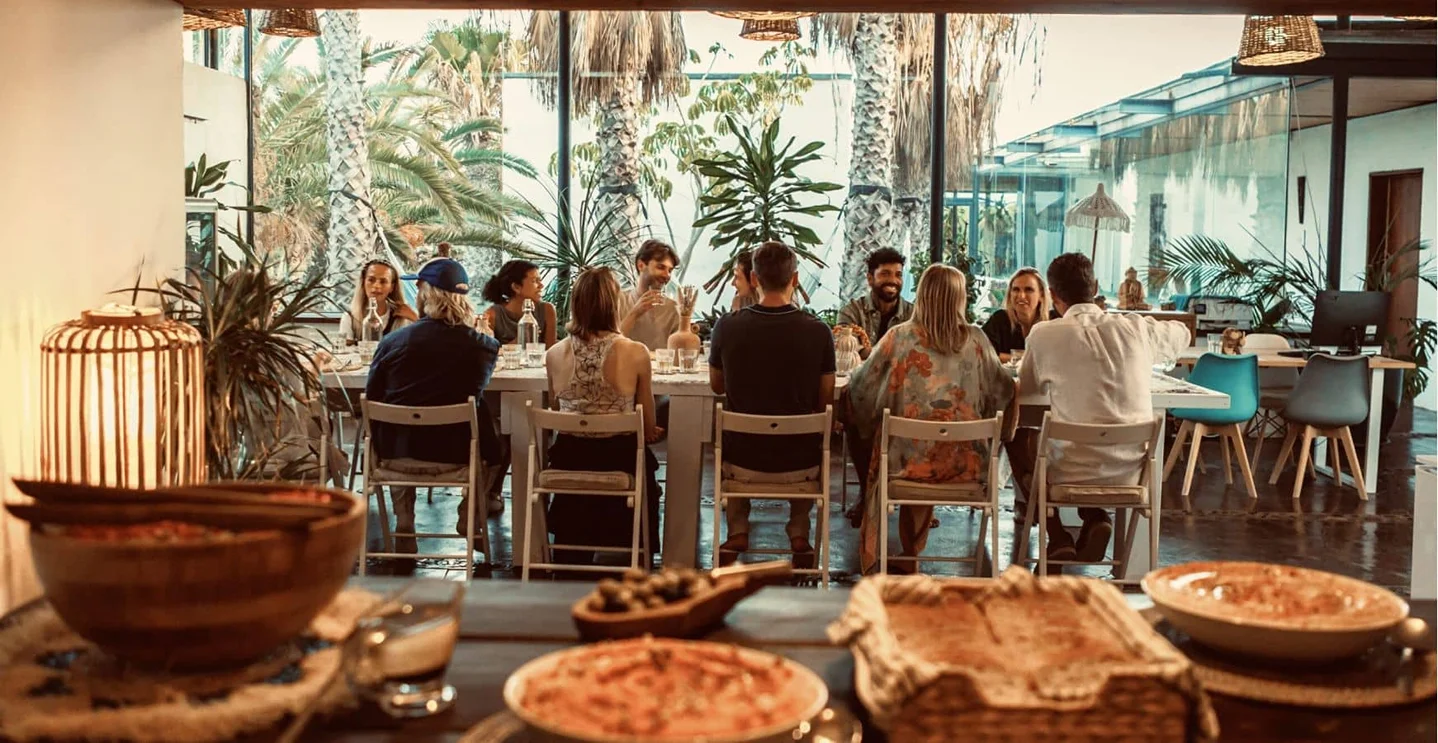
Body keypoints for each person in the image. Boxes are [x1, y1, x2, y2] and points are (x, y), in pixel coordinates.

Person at [843, 265, 1016, 574]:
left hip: (904, 467)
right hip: (968, 467)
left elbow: (861, 388)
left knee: (913, 446)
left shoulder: (898, 337)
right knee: (937, 446)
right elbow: (1004, 391)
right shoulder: (976, 341)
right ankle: (910, 553)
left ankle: (910, 554)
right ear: (960, 298)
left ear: (922, 295)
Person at [1018, 253, 1189, 562]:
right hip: (1133, 473)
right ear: (1095, 287)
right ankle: (1096, 517)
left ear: (1052, 295)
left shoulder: (1043, 335)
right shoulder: (1136, 328)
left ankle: (1059, 535)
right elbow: (1182, 332)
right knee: (1091, 439)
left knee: (1019, 437)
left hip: (1068, 473)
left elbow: (1027, 392)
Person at [709, 241, 836, 568]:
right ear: (795, 279)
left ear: (754, 279)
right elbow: (825, 400)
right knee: (809, 432)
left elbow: (717, 386)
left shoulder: (727, 326)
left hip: (742, 463)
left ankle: (737, 529)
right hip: (800, 465)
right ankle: (799, 530)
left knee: (733, 431)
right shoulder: (819, 332)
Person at [365, 258, 502, 555]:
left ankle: (404, 519)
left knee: (395, 421)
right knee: (488, 425)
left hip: (395, 455)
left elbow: (372, 395)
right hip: (457, 454)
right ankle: (469, 514)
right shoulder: (483, 347)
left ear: (426, 293)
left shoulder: (392, 342)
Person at [544, 267, 664, 566]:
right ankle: (636, 551)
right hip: (619, 460)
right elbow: (647, 425)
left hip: (569, 460)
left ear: (576, 303)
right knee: (646, 459)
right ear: (614, 304)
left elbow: (557, 411)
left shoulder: (554, 354)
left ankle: (570, 552)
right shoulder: (636, 352)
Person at [837, 247, 913, 359]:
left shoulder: (913, 315)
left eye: (898, 275)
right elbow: (847, 350)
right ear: (870, 279)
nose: (893, 280)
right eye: (885, 274)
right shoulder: (851, 312)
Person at [618, 239, 682, 351]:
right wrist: (635, 313)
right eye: (661, 267)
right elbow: (608, 346)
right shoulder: (618, 301)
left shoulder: (673, 309)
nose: (667, 275)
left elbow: (679, 353)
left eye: (670, 271)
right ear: (641, 265)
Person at [982, 267, 1057, 362]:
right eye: (1016, 290)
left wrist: (1008, 357)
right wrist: (1027, 359)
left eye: (1029, 290)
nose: (1021, 296)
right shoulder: (1000, 319)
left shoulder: (1054, 321)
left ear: (1041, 295)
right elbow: (983, 353)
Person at [482, 259, 559, 347]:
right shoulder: (493, 315)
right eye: (534, 281)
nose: (541, 285)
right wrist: (521, 338)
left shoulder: (547, 310)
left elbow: (551, 350)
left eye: (540, 280)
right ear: (516, 287)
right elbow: (488, 351)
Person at [340, 259, 417, 344]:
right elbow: (344, 350)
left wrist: (415, 318)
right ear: (363, 283)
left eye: (383, 282)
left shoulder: (404, 316)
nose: (377, 286)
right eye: (371, 280)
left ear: (392, 287)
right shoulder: (350, 317)